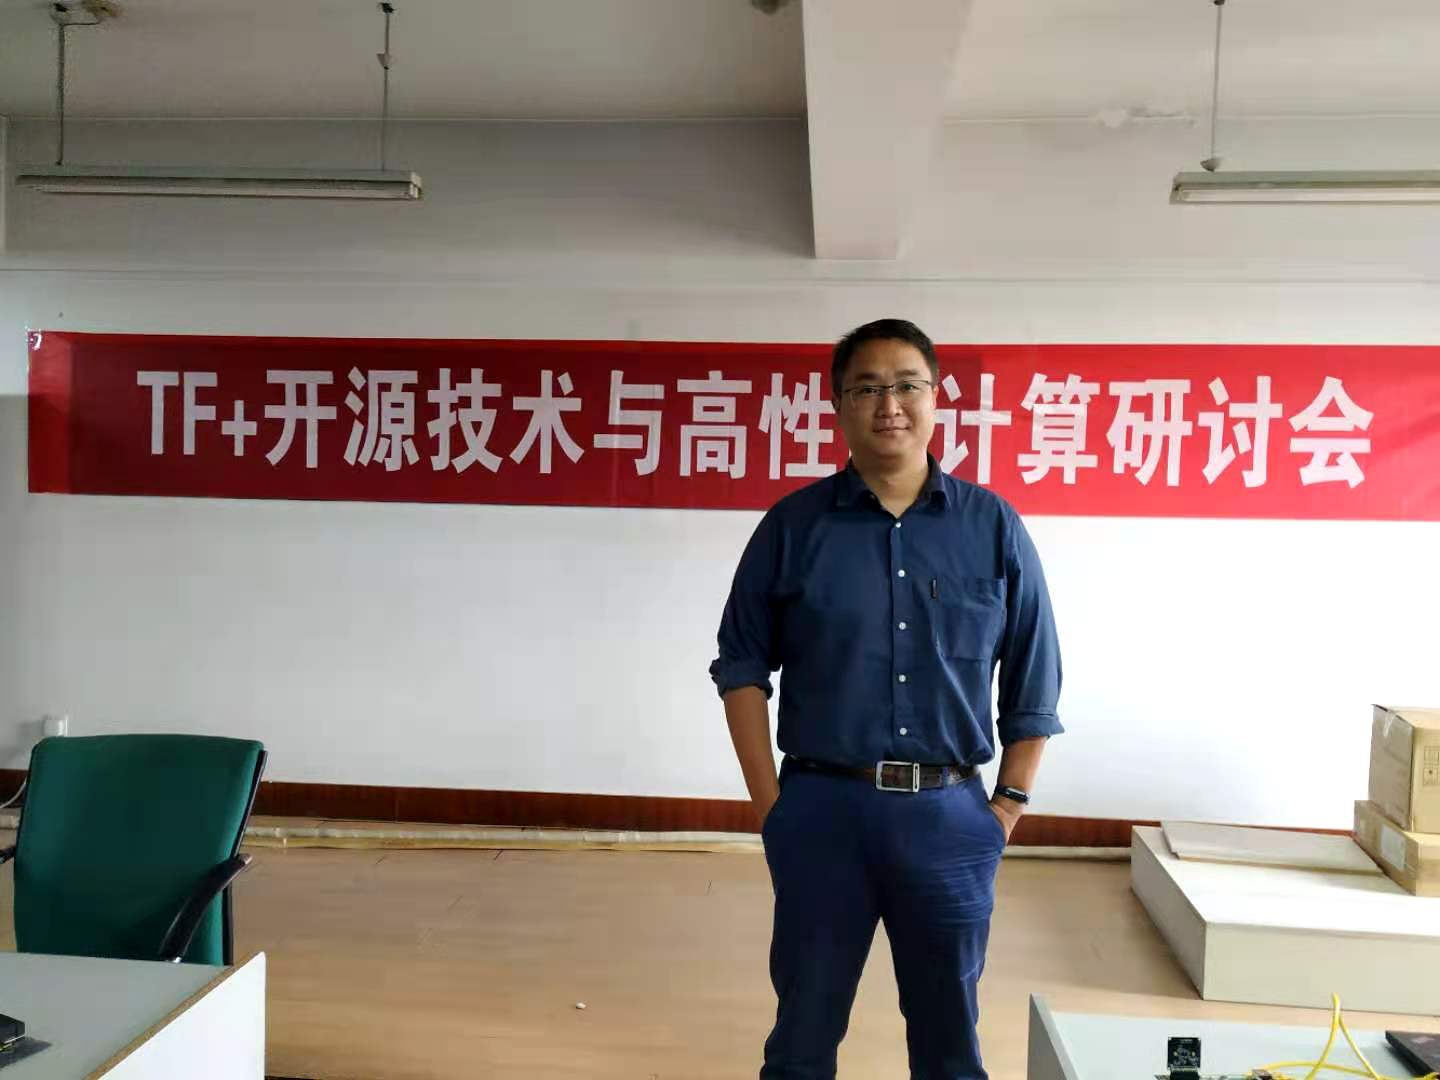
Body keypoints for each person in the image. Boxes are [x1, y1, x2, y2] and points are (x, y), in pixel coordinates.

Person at [709, 318, 1063, 1080]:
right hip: (821, 814)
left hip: (950, 819)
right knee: (801, 1041)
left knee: (949, 1047)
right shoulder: (792, 527)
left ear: (936, 398)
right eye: (866, 388)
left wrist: (1005, 807)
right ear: (837, 405)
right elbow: (740, 667)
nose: (889, 405)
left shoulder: (992, 527)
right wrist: (772, 809)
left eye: (907, 385)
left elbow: (1035, 677)